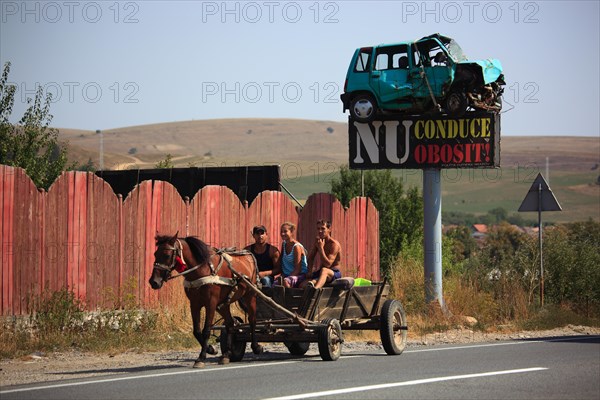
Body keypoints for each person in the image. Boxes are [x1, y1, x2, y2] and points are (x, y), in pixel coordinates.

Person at [303, 219, 342, 288]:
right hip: (320, 272)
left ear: (329, 230)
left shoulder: (334, 244)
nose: (320, 231)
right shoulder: (318, 241)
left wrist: (321, 248)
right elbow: (310, 258)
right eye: (318, 229)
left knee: (324, 270)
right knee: (302, 284)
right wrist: (309, 271)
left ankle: (315, 290)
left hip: (333, 273)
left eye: (323, 228)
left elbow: (328, 264)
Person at [278, 222, 308, 288]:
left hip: (299, 275)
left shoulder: (296, 247)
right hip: (287, 275)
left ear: (291, 232)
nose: (282, 234)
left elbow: (298, 269)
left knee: (286, 282)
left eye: (285, 231)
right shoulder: (284, 244)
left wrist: (286, 278)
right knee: (274, 285)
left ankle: (287, 298)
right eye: (281, 231)